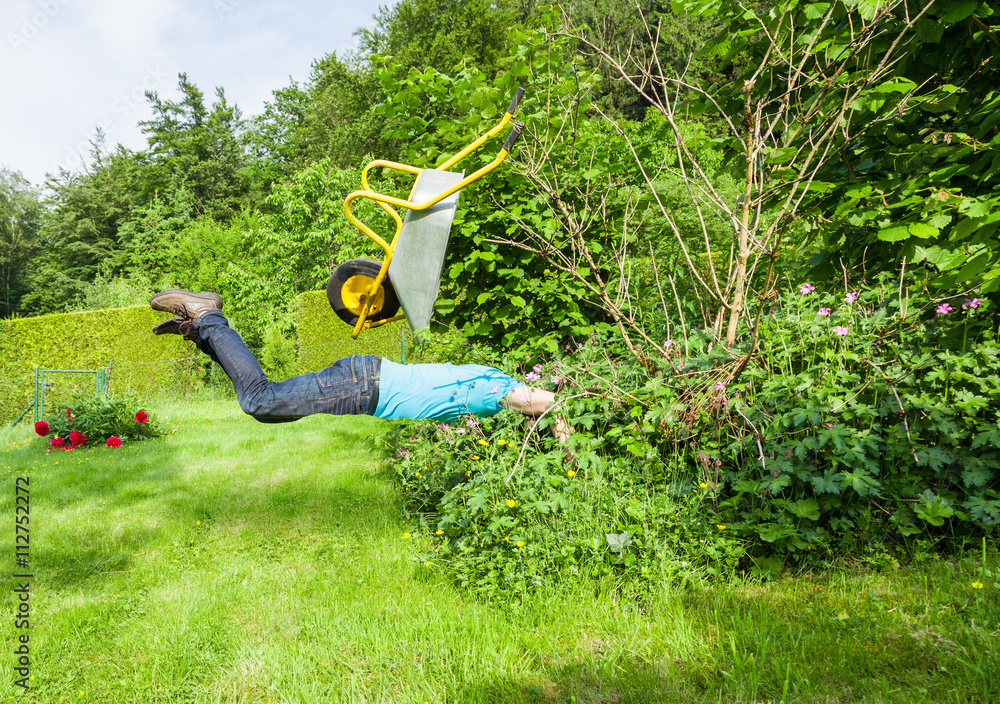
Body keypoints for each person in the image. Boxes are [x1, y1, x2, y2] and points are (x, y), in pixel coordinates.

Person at [150, 289, 568, 438]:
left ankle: (200, 328)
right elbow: (542, 400)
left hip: (365, 382)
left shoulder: (491, 379)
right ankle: (206, 317)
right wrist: (568, 420)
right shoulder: (497, 389)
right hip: (364, 385)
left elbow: (535, 404)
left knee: (266, 409)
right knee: (261, 402)